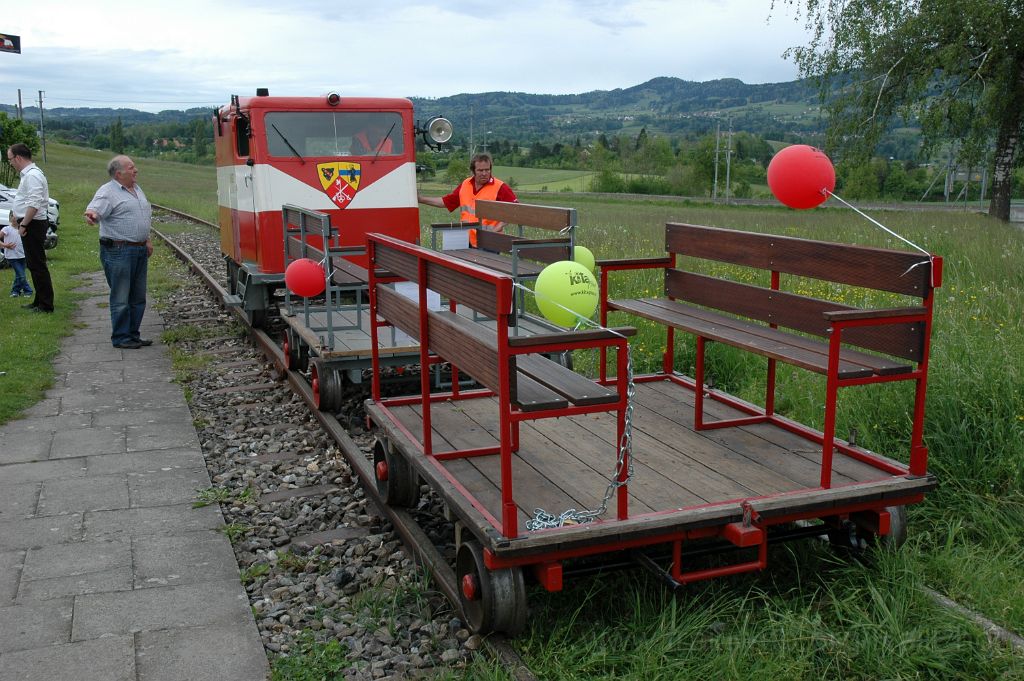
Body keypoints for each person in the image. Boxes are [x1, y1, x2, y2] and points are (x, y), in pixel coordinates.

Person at [84, 155, 154, 350]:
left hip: (138, 249)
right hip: (119, 250)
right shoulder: (107, 192)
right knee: (121, 297)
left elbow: (142, 216)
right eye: (131, 168)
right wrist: (92, 216)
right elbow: (94, 210)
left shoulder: (136, 189)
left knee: (138, 296)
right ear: (118, 173)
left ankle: (133, 334)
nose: (136, 170)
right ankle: (121, 337)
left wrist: (146, 239)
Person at [418, 152, 517, 246]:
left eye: (487, 170)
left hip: (490, 242)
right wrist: (421, 199)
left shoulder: (500, 187)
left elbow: (515, 209)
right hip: (466, 239)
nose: (484, 173)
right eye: (480, 170)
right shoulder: (465, 184)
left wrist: (497, 229)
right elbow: (446, 202)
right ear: (473, 171)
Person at [6, 143, 54, 312]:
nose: (10, 162)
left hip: (32, 224)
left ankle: (46, 304)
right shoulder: (28, 175)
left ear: (18, 158)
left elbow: (34, 204)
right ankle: (39, 300)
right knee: (33, 264)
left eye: (10, 159)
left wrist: (24, 224)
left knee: (37, 264)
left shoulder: (32, 175)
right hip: (30, 224)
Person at [1, 221, 33, 297]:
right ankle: (28, 290)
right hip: (12, 257)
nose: (16, 219)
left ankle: (15, 291)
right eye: (14, 216)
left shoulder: (23, 229)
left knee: (19, 275)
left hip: (23, 256)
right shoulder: (7, 229)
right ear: (11, 217)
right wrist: (5, 245)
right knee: (21, 275)